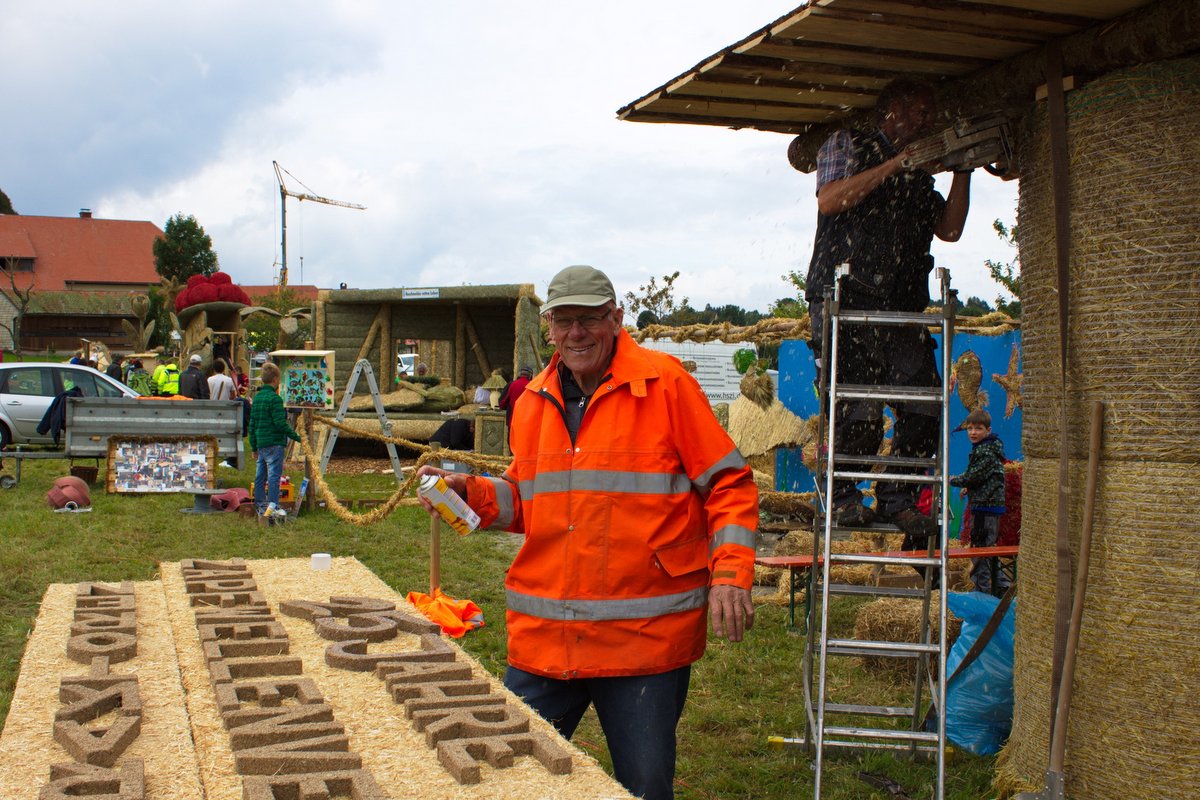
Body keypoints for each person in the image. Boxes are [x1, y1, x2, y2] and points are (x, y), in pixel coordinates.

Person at [416, 265, 758, 800]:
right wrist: (473, 492)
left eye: (590, 319)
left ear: (616, 319)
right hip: (546, 638)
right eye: (564, 320)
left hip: (643, 643)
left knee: (642, 787)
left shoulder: (667, 386)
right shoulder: (531, 402)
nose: (577, 332)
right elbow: (530, 501)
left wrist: (732, 575)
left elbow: (729, 485)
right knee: (506, 779)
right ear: (547, 326)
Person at [802, 77, 973, 545]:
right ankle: (841, 498)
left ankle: (898, 498)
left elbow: (951, 230)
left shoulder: (921, 172)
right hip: (846, 298)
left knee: (923, 406)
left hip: (901, 306)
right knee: (858, 406)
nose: (927, 121)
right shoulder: (849, 143)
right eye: (920, 111)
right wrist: (895, 165)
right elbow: (831, 199)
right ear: (891, 112)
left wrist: (963, 169)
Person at [951, 410, 1011, 596]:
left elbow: (974, 476)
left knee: (979, 548)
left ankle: (982, 589)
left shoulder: (985, 451)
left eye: (978, 428)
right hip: (987, 503)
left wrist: (951, 479)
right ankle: (1002, 586)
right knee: (987, 547)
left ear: (988, 430)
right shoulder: (987, 448)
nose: (973, 432)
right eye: (970, 429)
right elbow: (987, 477)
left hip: (986, 507)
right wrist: (970, 487)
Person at [248, 362, 300, 515]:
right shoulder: (276, 399)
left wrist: (253, 446)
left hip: (261, 443)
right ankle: (273, 507)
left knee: (260, 476)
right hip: (275, 442)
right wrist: (296, 437)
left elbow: (252, 424)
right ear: (276, 379)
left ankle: (260, 504)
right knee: (273, 477)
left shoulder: (257, 399)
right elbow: (280, 424)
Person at [498, 365, 533, 432]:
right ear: (530, 376)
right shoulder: (532, 386)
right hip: (527, 421)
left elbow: (503, 401)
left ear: (520, 374)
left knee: (511, 441)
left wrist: (502, 407)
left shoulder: (513, 384)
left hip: (513, 419)